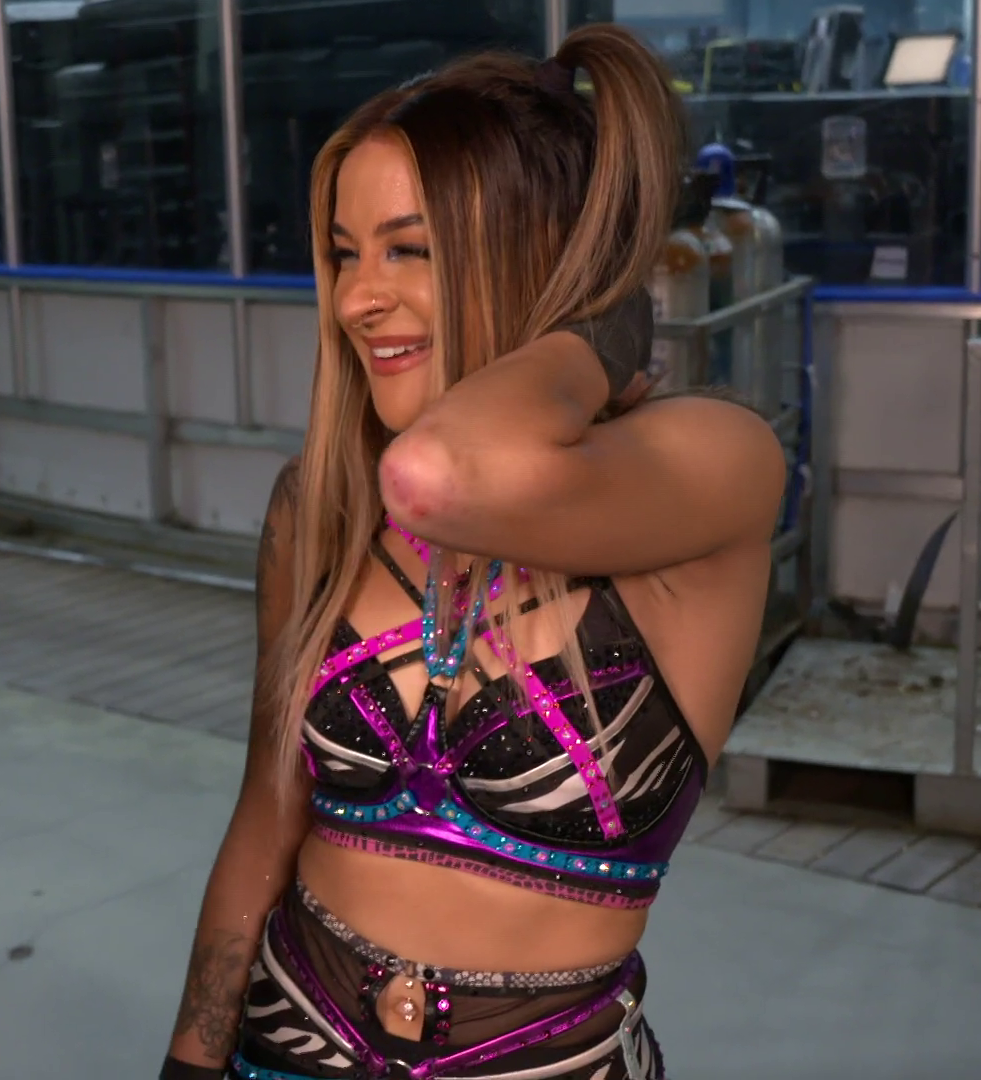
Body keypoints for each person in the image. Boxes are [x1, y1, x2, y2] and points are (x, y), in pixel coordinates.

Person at [164, 24, 784, 1080]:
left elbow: (443, 478)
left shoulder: (713, 463)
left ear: (536, 253)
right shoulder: (318, 508)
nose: (356, 299)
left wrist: (596, 331)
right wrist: (189, 1061)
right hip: (285, 1044)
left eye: (408, 249)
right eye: (345, 253)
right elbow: (265, 822)